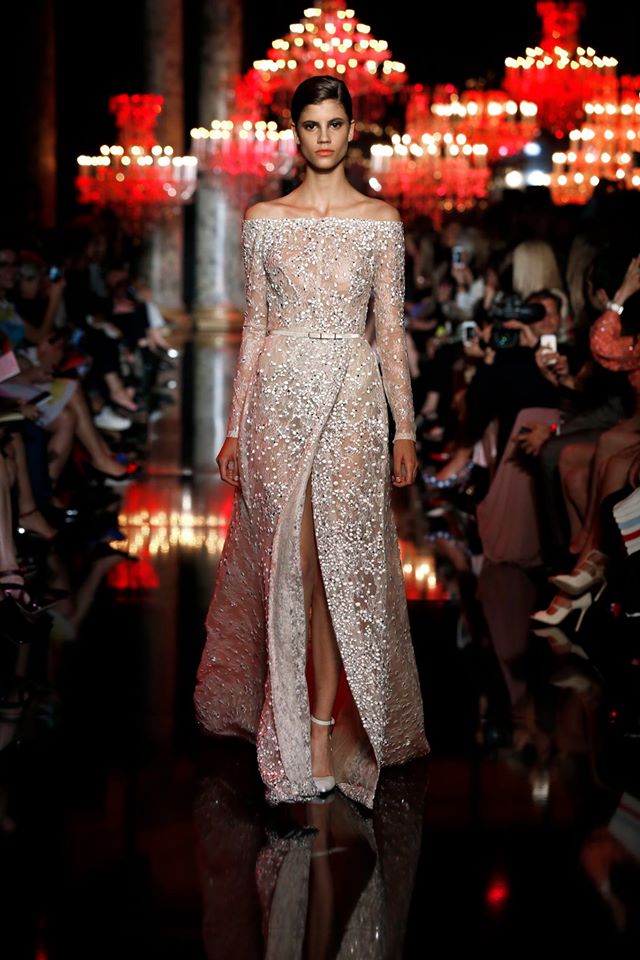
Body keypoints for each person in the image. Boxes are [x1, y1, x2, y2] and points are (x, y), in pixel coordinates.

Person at [194, 75, 429, 808]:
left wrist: (405, 427)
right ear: (295, 133)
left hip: (354, 403)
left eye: (334, 124)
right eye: (311, 125)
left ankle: (321, 733)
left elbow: (389, 332)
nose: (323, 137)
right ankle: (286, 726)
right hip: (277, 404)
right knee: (286, 568)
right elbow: (255, 328)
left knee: (334, 573)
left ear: (352, 130)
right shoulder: (264, 219)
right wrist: (234, 426)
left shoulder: (381, 223)